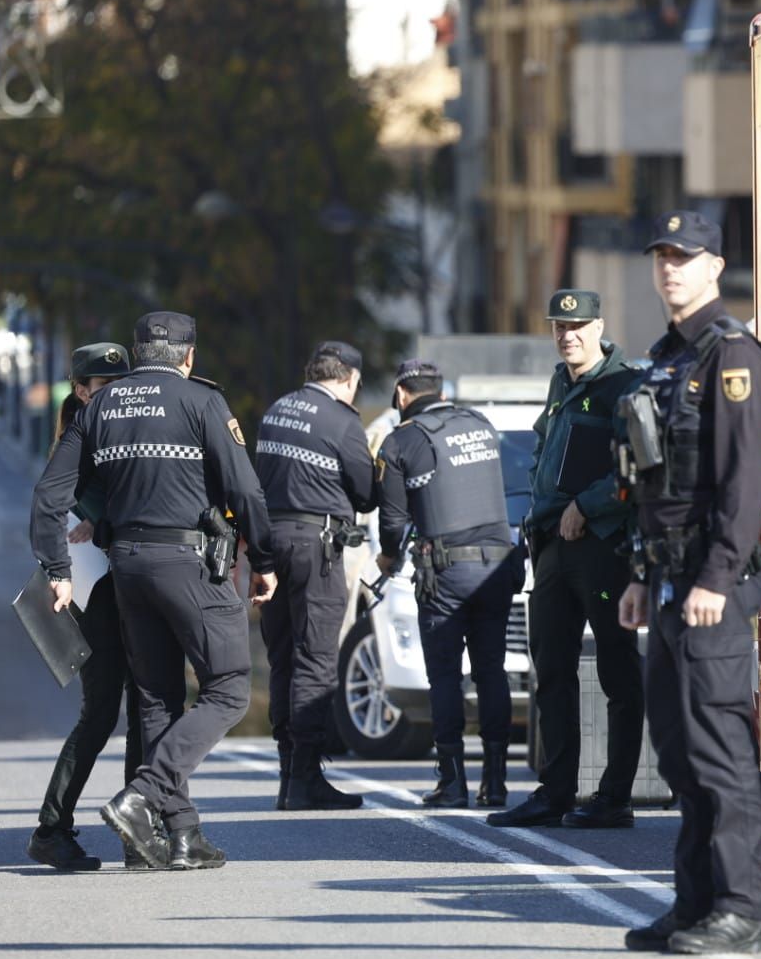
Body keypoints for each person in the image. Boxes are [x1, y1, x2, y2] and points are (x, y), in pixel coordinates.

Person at [30, 311, 278, 871]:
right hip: (189, 562)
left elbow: (48, 496)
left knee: (154, 699)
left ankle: (179, 833)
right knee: (230, 688)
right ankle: (141, 798)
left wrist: (56, 567)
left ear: (138, 354)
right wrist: (263, 558)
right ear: (188, 356)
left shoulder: (100, 411)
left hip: (128, 568)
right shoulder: (202, 401)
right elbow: (244, 488)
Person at [618, 210, 761, 956]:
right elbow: (655, 485)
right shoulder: (666, 358)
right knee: (678, 752)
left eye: (685, 257)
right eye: (662, 257)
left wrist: (715, 573)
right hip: (669, 581)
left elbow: (745, 483)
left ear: (716, 265)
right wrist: (642, 576)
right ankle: (695, 904)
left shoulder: (731, 353)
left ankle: (745, 911)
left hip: (713, 585)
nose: (671, 269)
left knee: (720, 754)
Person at [488, 290, 645, 830]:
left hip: (601, 547)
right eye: (558, 325)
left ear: (599, 325)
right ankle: (555, 792)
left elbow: (637, 470)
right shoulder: (561, 381)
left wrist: (588, 504)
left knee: (616, 668)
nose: (567, 334)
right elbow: (544, 452)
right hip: (553, 545)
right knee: (551, 670)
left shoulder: (624, 385)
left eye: (577, 325)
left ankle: (615, 796)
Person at [374, 359, 520, 810]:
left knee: (444, 677)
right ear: (440, 390)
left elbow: (394, 523)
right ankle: (495, 783)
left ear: (401, 396)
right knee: (491, 671)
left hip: (447, 574)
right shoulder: (479, 424)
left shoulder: (401, 440)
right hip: (498, 565)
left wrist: (387, 558)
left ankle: (452, 782)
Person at [26, 342, 145, 871]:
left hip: (120, 584)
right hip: (96, 591)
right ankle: (56, 828)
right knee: (107, 712)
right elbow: (51, 501)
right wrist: (57, 571)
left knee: (143, 705)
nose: (113, 396)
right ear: (80, 390)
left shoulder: (109, 426)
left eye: (120, 386)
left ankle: (134, 829)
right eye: (102, 387)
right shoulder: (83, 434)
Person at [254, 340, 375, 811]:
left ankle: (288, 776)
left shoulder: (275, 410)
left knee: (283, 657)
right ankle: (306, 777)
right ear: (348, 379)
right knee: (316, 659)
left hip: (272, 542)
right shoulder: (342, 421)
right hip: (316, 546)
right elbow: (365, 493)